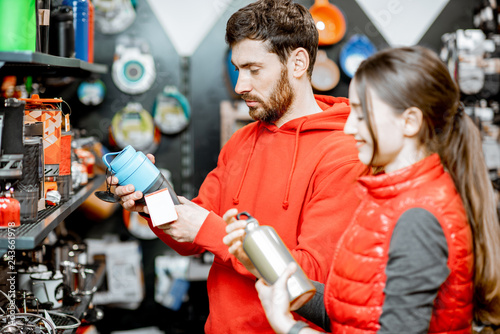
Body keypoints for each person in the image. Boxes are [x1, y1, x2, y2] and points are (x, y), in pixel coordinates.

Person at [110, 0, 366, 333]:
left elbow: (310, 278)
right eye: (237, 69)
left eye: (253, 69)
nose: (239, 86)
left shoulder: (343, 153)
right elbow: (190, 239)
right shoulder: (241, 141)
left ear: (298, 62)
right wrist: (151, 199)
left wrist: (207, 228)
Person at [224, 45, 500, 333]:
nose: (348, 128)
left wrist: (287, 327)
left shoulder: (419, 218)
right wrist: (269, 270)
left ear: (409, 121)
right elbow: (351, 313)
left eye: (360, 113)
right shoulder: (385, 200)